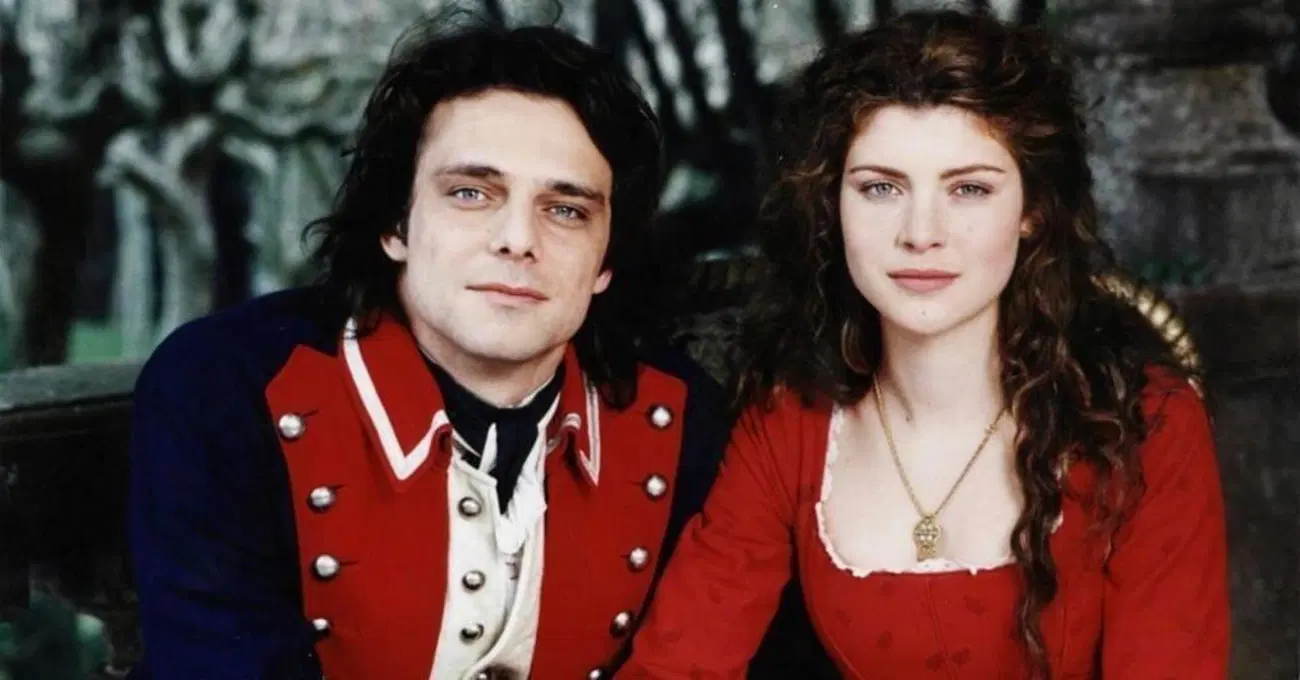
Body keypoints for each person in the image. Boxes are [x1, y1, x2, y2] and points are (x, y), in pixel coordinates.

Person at [126, 14, 821, 680]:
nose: (518, 239)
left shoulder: (674, 415)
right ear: (395, 224)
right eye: (470, 193)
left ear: (605, 261)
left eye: (566, 210)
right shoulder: (227, 386)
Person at [618, 9, 1229, 680]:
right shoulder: (791, 422)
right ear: (832, 206)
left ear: (1032, 210)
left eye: (969, 189)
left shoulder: (1147, 424)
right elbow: (678, 662)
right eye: (881, 188)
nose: (920, 233)